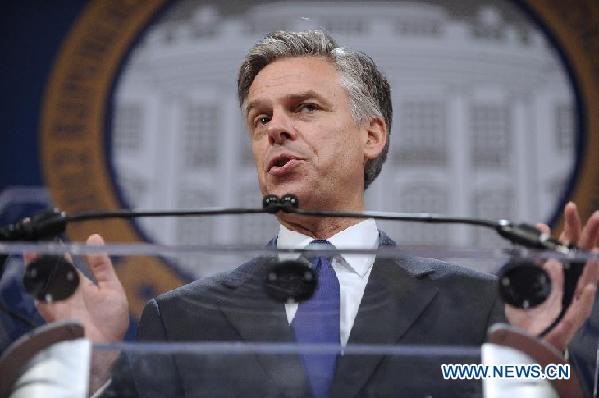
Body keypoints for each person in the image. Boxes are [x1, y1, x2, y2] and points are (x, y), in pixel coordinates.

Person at [32, 30, 599, 397]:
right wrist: (97, 368)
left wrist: (536, 367)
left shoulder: (477, 306)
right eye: (260, 118)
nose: (275, 127)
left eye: (305, 108)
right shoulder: (179, 321)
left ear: (371, 135)